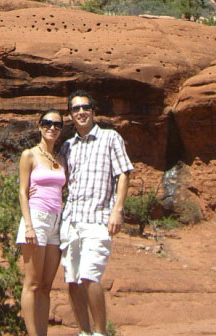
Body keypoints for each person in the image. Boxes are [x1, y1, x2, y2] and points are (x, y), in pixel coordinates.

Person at [59, 90, 132, 336]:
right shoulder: (67, 146)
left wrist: (117, 210)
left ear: (94, 111)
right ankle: (84, 332)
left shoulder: (111, 138)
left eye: (85, 107)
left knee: (89, 276)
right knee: (72, 281)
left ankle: (100, 333)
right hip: (71, 221)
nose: (81, 112)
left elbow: (123, 173)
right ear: (70, 115)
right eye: (75, 109)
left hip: (98, 219)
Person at [17, 109, 67, 336]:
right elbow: (22, 191)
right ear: (39, 126)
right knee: (32, 283)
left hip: (57, 222)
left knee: (46, 286)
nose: (52, 128)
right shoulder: (29, 155)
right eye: (47, 123)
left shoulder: (60, 159)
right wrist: (28, 225)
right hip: (36, 219)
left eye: (57, 125)